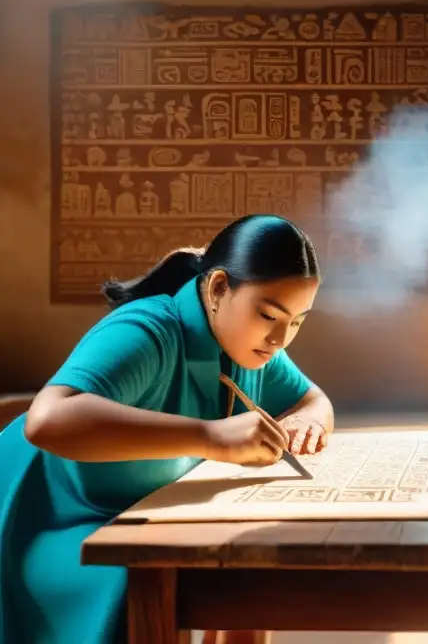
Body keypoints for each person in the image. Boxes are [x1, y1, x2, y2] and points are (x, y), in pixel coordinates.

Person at [0, 214, 335, 644]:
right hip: (48, 518)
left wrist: (306, 421)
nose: (280, 338)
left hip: (140, 514)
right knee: (141, 583)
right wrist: (211, 437)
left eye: (298, 322)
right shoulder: (147, 331)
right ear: (217, 289)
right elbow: (47, 420)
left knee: (249, 568)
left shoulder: (248, 344)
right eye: (269, 314)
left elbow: (313, 400)